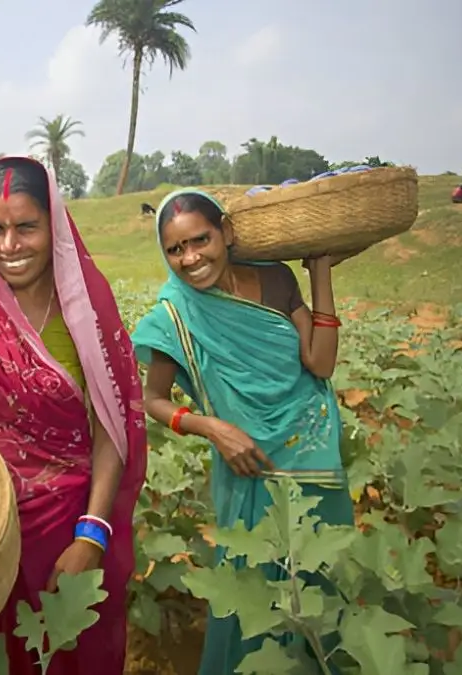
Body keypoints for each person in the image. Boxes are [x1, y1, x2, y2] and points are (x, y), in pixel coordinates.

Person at [0, 156, 148, 674]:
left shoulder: (85, 309)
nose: (9, 245)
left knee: (76, 651)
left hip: (74, 524)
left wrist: (93, 534)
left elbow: (112, 428)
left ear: (54, 225)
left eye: (26, 227)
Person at [130, 188, 355, 674]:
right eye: (175, 249)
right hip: (246, 463)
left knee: (320, 583)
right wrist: (212, 428)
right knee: (251, 596)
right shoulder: (174, 315)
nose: (190, 258)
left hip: (311, 449)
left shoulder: (276, 281)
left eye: (200, 240)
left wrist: (318, 274)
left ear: (227, 233)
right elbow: (151, 399)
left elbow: (320, 362)